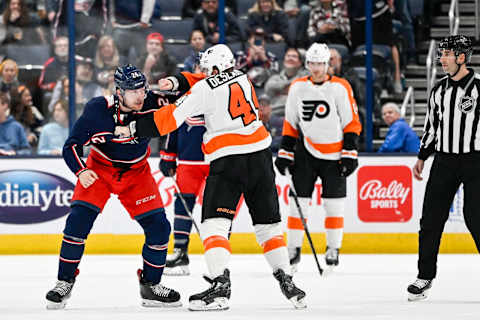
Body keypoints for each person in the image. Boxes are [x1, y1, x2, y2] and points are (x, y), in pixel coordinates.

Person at [115, 44, 306, 311]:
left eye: (207, 69)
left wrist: (133, 127)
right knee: (268, 225)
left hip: (229, 160)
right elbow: (208, 82)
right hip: (262, 158)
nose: (204, 73)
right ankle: (287, 279)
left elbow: (169, 119)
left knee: (214, 226)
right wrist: (179, 81)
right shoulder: (244, 78)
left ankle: (219, 287)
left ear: (214, 68)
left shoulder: (204, 89)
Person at [45, 65, 181, 310]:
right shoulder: (98, 109)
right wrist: (82, 170)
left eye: (142, 89)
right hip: (100, 169)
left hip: (137, 173)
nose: (141, 96)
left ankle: (151, 286)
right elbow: (72, 146)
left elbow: (182, 109)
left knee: (160, 228)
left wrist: (179, 82)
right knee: (77, 223)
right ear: (119, 92)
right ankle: (63, 282)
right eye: (133, 91)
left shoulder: (154, 101)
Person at [274, 43, 361, 271]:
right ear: (307, 64)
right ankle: (293, 248)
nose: (316, 68)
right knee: (297, 204)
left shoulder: (340, 87)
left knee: (334, 206)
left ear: (327, 64)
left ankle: (333, 247)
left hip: (335, 154)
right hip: (306, 153)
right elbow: (291, 122)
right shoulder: (298, 87)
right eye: (312, 63)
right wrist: (285, 152)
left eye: (320, 63)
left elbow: (351, 121)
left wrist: (350, 152)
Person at [408, 35, 480, 301]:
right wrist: (422, 157)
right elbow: (431, 128)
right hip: (444, 161)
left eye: (447, 54)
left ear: (462, 57)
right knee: (430, 221)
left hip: (475, 161)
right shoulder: (438, 90)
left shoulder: (479, 89)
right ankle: (424, 275)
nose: (442, 59)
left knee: (477, 219)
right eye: (441, 54)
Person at [0, 91, 30, 155]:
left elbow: (27, 151)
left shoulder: (17, 127)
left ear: (5, 106)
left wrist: (15, 153)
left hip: (13, 162)